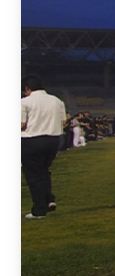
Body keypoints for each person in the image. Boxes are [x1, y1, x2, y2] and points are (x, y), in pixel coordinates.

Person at [20, 75, 67, 219]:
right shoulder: (57, 101)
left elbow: (21, 124)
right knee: (43, 171)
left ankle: (39, 209)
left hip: (31, 140)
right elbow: (63, 121)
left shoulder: (24, 102)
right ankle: (48, 199)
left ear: (27, 88)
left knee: (34, 175)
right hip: (53, 140)